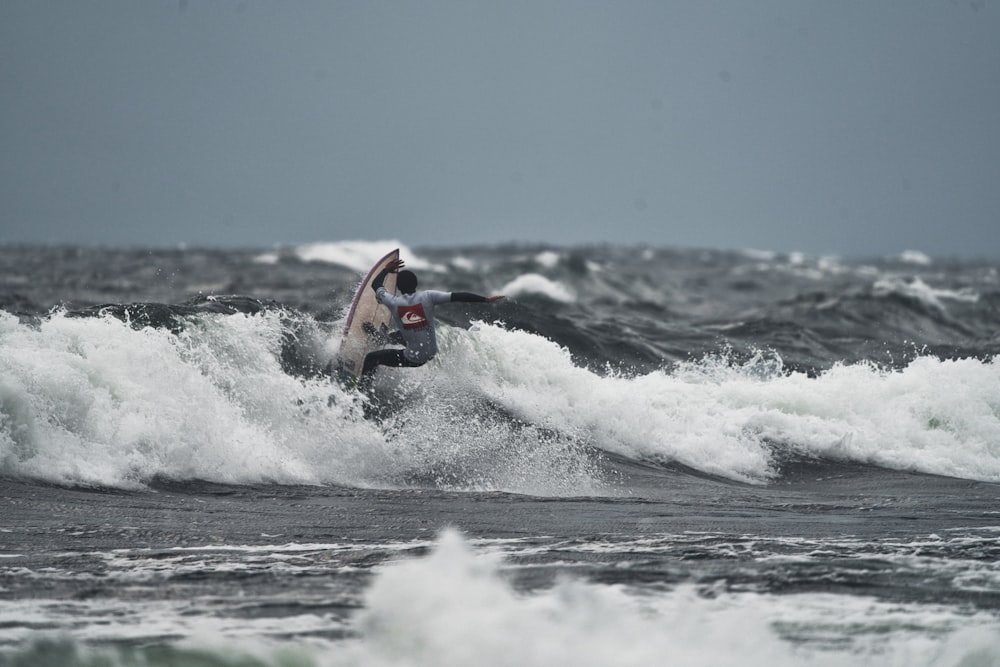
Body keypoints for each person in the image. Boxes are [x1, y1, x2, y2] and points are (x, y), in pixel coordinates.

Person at [360, 258, 504, 387]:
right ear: (416, 284)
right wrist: (485, 299)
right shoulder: (429, 296)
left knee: (371, 358)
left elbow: (375, 284)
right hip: (430, 352)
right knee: (402, 335)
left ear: (398, 288)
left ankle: (362, 393)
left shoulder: (393, 301)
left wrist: (386, 270)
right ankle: (381, 338)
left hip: (413, 358)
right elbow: (459, 296)